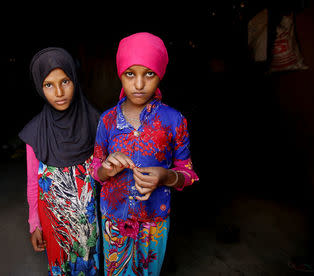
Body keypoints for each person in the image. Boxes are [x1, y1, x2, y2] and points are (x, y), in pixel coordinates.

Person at [89, 32, 199, 275]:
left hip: (155, 223)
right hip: (114, 221)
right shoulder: (107, 121)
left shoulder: (174, 121)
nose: (139, 84)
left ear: (160, 74)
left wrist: (167, 176)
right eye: (130, 74)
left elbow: (188, 174)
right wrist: (105, 169)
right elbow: (95, 169)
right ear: (120, 75)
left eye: (149, 73)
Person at [19, 47, 101, 275]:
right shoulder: (35, 133)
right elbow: (33, 184)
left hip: (89, 224)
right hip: (54, 225)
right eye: (48, 85)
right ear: (39, 87)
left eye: (64, 81)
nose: (58, 92)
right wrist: (34, 224)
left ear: (74, 78)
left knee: (89, 266)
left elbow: (104, 174)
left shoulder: (95, 122)